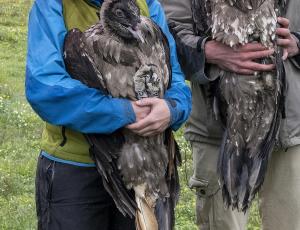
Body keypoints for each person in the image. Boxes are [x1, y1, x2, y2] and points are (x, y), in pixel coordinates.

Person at [25, 0, 191, 229]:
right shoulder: (52, 4)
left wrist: (172, 109)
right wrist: (122, 113)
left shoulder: (147, 4)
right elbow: (45, 87)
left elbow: (175, 77)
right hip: (77, 168)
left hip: (146, 161)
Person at [160, 0, 300, 229]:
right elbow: (164, 30)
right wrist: (207, 51)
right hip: (219, 128)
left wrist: (297, 42)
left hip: (288, 127)